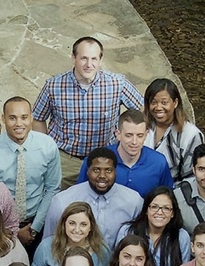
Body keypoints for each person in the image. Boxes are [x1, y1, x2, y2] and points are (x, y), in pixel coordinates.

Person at [31, 36, 145, 189]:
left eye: (94, 59)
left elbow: (142, 110)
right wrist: (46, 150)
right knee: (60, 204)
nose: (89, 64)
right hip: (65, 160)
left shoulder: (117, 84)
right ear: (73, 58)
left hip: (104, 159)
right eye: (83, 58)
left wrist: (126, 137)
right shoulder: (54, 86)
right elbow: (38, 117)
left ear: (100, 60)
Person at [0, 96, 63, 248]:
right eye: (12, 118)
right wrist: (11, 231)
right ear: (3, 118)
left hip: (38, 223)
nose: (19, 124)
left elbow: (52, 188)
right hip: (0, 227)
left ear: (31, 118)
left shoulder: (47, 146)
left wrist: (34, 229)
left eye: (24, 117)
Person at [43, 147, 143, 245]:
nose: (102, 176)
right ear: (87, 171)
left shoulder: (134, 202)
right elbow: (49, 243)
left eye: (108, 170)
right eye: (96, 170)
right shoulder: (63, 201)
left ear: (115, 172)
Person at [77, 109, 173, 197]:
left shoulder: (158, 162)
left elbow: (167, 197)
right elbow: (80, 195)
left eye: (140, 135)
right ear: (118, 134)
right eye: (129, 135)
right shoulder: (96, 160)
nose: (134, 141)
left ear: (146, 135)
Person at [143, 78, 204, 184]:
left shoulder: (191, 135)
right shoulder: (142, 127)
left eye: (164, 102)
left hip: (172, 193)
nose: (158, 107)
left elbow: (192, 179)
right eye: (153, 102)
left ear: (175, 103)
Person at [113, 187, 192, 265]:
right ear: (146, 210)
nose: (160, 212)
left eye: (166, 208)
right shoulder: (128, 231)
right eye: (154, 207)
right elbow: (117, 262)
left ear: (173, 213)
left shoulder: (181, 236)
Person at [34, 202, 111, 266]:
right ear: (64, 224)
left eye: (83, 224)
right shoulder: (46, 247)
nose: (77, 230)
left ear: (91, 227)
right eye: (72, 223)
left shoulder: (102, 250)